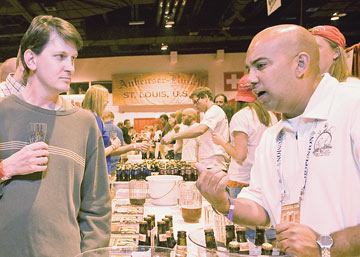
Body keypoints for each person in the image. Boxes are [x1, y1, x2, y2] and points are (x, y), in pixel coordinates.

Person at [196, 24, 360, 257]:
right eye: (249, 69)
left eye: (260, 66)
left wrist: (327, 246)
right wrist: (224, 205)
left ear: (300, 64)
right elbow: (261, 208)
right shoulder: (273, 136)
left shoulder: (353, 106)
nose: (250, 79)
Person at [0, 15, 111, 256]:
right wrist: (5, 169)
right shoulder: (2, 113)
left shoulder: (85, 123)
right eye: (60, 56)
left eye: (73, 58)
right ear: (31, 59)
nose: (70, 67)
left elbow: (97, 208)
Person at [212, 74, 277, 198]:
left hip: (240, 182)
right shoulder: (270, 116)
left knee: (233, 214)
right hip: (263, 179)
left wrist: (222, 142)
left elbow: (240, 155)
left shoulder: (241, 116)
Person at [162, 87, 229, 170]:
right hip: (208, 162)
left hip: (213, 163)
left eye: (196, 101)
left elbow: (200, 130)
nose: (195, 105)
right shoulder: (207, 113)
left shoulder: (214, 110)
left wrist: (173, 136)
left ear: (205, 97)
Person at [82, 84, 122, 174]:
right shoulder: (94, 119)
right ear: (98, 100)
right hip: (98, 171)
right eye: (105, 99)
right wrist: (114, 145)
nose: (107, 102)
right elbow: (95, 154)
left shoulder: (86, 117)